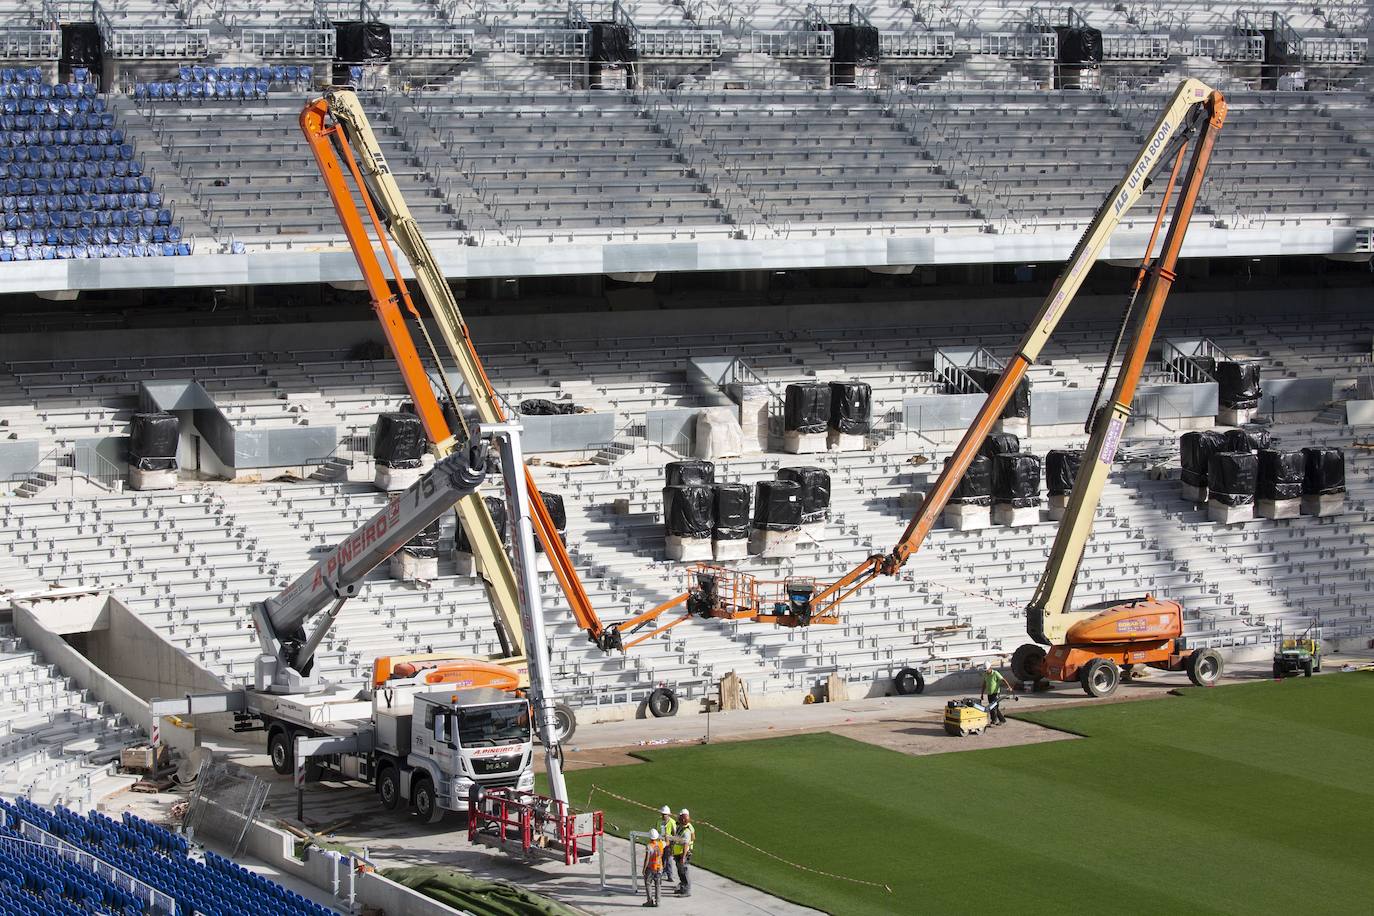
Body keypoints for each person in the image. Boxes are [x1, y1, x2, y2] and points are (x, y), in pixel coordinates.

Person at [672, 808, 696, 897]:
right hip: (678, 853)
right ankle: (683, 888)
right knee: (681, 872)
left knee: (684, 872)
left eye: (680, 818)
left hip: (683, 854)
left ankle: (687, 891)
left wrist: (683, 857)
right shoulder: (681, 827)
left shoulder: (687, 830)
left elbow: (686, 844)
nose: (678, 819)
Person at [642, 828, 666, 907]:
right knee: (658, 885)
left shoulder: (649, 846)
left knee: (648, 883)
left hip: (651, 868)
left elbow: (647, 859)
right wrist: (666, 837)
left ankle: (650, 901)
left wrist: (644, 869)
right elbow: (668, 842)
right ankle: (658, 902)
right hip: (659, 868)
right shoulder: (661, 844)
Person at [656, 804, 677, 883]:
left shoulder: (672, 822)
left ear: (668, 814)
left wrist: (673, 845)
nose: (663, 815)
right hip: (660, 843)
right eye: (662, 814)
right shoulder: (658, 821)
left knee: (669, 860)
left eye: (664, 814)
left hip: (669, 844)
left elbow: (675, 834)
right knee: (660, 859)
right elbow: (656, 831)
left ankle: (670, 875)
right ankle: (661, 873)